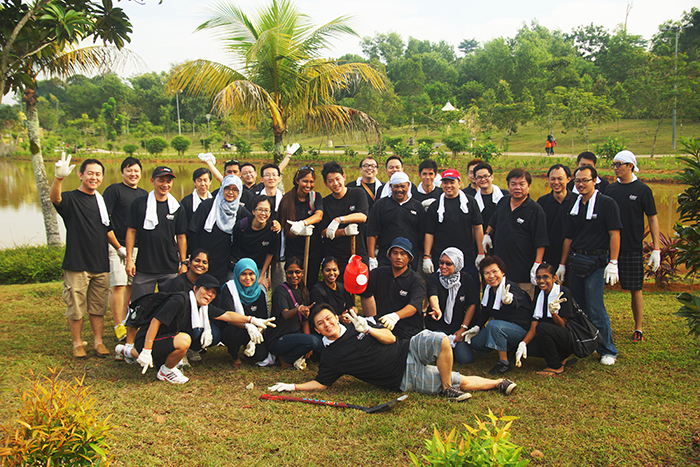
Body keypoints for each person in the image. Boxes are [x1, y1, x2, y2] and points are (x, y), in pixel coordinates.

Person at [266, 303, 517, 400]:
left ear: (336, 318)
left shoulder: (357, 324)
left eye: (329, 319)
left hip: (407, 347)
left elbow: (391, 337)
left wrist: (368, 329)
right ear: (318, 329)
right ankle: (497, 383)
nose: (326, 325)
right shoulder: (330, 355)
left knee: (439, 338)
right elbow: (321, 384)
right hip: (402, 377)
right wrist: (292, 387)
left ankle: (445, 390)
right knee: (457, 379)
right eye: (320, 323)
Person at [117, 274, 276, 384]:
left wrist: (252, 320)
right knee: (184, 339)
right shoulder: (180, 300)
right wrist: (146, 349)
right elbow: (155, 322)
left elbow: (227, 315)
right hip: (149, 339)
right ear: (196, 288)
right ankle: (166, 371)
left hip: (163, 341)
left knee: (161, 353)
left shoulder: (203, 307)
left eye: (213, 293)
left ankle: (125, 351)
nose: (210, 295)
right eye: (207, 289)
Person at [50, 154, 122, 358]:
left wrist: (119, 248)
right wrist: (59, 178)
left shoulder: (100, 201)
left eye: (98, 174)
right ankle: (77, 343)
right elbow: (55, 199)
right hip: (77, 262)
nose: (94, 177)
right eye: (90, 173)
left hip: (100, 262)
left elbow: (107, 229)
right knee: (75, 306)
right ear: (81, 175)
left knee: (98, 307)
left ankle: (98, 342)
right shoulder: (71, 198)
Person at [559, 165, 622, 365]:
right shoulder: (575, 205)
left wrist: (613, 262)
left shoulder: (606, 203)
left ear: (595, 181)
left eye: (585, 180)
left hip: (596, 261)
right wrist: (562, 264)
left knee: (595, 307)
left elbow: (614, 234)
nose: (580, 184)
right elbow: (568, 237)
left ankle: (608, 350)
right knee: (577, 306)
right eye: (577, 181)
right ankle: (583, 343)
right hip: (576, 261)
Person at [604, 150, 660, 341]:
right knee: (599, 287)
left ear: (630, 166)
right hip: (609, 248)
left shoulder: (643, 190)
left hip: (632, 247)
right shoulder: (610, 190)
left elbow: (652, 219)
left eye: (619, 164)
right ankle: (600, 326)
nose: (615, 168)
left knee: (636, 288)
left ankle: (638, 327)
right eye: (614, 164)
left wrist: (656, 249)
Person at [125, 166, 188, 301]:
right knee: (139, 305)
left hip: (169, 266)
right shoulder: (139, 204)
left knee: (169, 305)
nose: (165, 185)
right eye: (161, 180)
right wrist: (129, 259)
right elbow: (131, 231)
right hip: (144, 265)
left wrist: (183, 263)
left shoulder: (176, 207)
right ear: (152, 181)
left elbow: (181, 236)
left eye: (169, 181)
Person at [484, 168, 548, 298]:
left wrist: (537, 264)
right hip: (501, 269)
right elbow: (494, 219)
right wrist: (487, 234)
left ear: (529, 186)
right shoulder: (503, 202)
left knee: (522, 304)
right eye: (513, 184)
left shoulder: (535, 210)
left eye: (521, 184)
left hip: (522, 268)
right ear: (508, 186)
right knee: (500, 301)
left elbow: (541, 241)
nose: (517, 188)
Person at [103, 156, 147, 340]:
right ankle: (118, 324)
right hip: (118, 245)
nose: (133, 174)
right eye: (129, 170)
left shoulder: (145, 194)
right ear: (122, 172)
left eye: (136, 170)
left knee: (130, 286)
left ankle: (126, 321)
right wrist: (118, 246)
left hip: (137, 247)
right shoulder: (114, 191)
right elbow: (105, 220)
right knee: (118, 285)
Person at [469, 256, 533, 375]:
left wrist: (509, 301)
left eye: (494, 271)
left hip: (519, 329)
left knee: (493, 325)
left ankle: (504, 362)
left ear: (502, 272)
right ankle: (507, 348)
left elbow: (516, 302)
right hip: (501, 327)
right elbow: (486, 311)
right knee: (476, 342)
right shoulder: (489, 290)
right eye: (487, 273)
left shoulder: (510, 287)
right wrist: (477, 326)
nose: (491, 276)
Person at [423, 169, 484, 291]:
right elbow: (429, 233)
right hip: (442, 259)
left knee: (469, 291)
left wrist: (481, 253)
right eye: (445, 183)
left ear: (459, 183)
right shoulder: (435, 206)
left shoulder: (470, 202)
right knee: (442, 293)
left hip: (466, 257)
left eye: (452, 182)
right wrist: (426, 256)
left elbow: (477, 227)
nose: (448, 186)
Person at [513, 263, 577, 376]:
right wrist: (523, 343)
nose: (541, 280)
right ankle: (560, 358)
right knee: (530, 347)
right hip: (548, 335)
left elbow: (562, 325)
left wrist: (554, 314)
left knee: (543, 327)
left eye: (546, 277)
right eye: (538, 277)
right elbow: (534, 326)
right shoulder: (539, 295)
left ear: (554, 278)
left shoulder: (563, 292)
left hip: (567, 336)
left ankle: (556, 366)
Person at [189, 175, 250, 286]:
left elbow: (255, 223)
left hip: (223, 261)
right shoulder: (207, 205)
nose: (230, 192)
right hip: (203, 259)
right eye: (227, 188)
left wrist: (273, 224)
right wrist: (196, 256)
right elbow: (193, 231)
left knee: (217, 293)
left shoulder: (239, 211)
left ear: (240, 192)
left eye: (235, 189)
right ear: (222, 189)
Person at [360, 237, 425, 340]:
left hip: (408, 331)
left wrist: (395, 316)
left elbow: (414, 306)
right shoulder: (378, 273)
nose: (398, 257)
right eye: (395, 253)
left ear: (409, 258)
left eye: (403, 254)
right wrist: (356, 269)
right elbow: (363, 290)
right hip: (381, 327)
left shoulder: (416, 280)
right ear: (389, 256)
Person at [264, 257, 322, 369]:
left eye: (297, 272)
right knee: (313, 341)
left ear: (302, 272)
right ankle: (285, 359)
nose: (294, 276)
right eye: (290, 272)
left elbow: (305, 320)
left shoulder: (303, 291)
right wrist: (298, 309)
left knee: (320, 343)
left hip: (296, 333)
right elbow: (285, 315)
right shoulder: (280, 292)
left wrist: (308, 345)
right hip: (279, 338)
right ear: (285, 273)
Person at [425, 248, 480, 365]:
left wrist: (463, 329)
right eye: (441, 262)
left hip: (457, 328)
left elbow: (472, 305)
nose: (443, 266)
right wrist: (436, 309)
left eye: (448, 263)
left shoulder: (466, 279)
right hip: (437, 327)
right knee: (432, 358)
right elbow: (432, 296)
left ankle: (449, 348)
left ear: (458, 264)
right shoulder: (434, 278)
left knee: (466, 359)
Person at [277, 166, 324, 290]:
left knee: (311, 281)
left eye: (311, 182)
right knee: (295, 282)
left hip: (313, 251)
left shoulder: (315, 197)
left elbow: (319, 215)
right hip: (293, 251)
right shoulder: (287, 200)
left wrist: (303, 223)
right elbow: (286, 231)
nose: (308, 185)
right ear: (297, 181)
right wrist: (299, 232)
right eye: (305, 181)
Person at [367, 172, 425, 270]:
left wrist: (427, 256)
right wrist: (372, 257)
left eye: (403, 186)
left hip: (410, 256)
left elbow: (424, 232)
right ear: (390, 186)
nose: (399, 190)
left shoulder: (417, 206)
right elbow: (372, 232)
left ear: (408, 185)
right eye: (396, 186)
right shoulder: (380, 205)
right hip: (385, 256)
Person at [219, 259, 272, 366]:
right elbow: (229, 317)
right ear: (237, 273)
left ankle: (248, 352)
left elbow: (263, 320)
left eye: (251, 274)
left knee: (261, 355)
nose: (248, 278)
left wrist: (255, 336)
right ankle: (235, 357)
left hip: (254, 330)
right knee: (231, 333)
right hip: (236, 327)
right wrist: (248, 326)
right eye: (243, 274)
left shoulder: (259, 293)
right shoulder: (229, 288)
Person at [319, 161, 368, 274]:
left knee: (360, 287)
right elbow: (324, 231)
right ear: (325, 183)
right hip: (334, 258)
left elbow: (362, 216)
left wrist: (339, 219)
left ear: (344, 177)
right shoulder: (325, 202)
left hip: (357, 254)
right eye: (330, 181)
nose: (335, 183)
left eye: (338, 179)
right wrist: (343, 231)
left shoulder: (358, 193)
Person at [230, 195, 281, 290]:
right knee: (232, 292)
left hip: (257, 269)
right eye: (260, 210)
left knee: (261, 292)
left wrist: (262, 276)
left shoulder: (272, 230)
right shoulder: (242, 226)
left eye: (266, 210)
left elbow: (270, 253)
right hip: (238, 266)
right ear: (253, 211)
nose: (263, 213)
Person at [537, 164, 577, 269]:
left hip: (573, 254)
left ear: (569, 179)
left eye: (560, 179)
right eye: (553, 179)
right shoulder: (542, 202)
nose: (556, 182)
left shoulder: (577, 201)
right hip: (548, 254)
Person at [472, 162, 505, 229]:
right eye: (479, 177)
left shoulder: (505, 196)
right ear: (475, 180)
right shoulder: (472, 200)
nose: (483, 179)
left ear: (492, 177)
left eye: (486, 176)